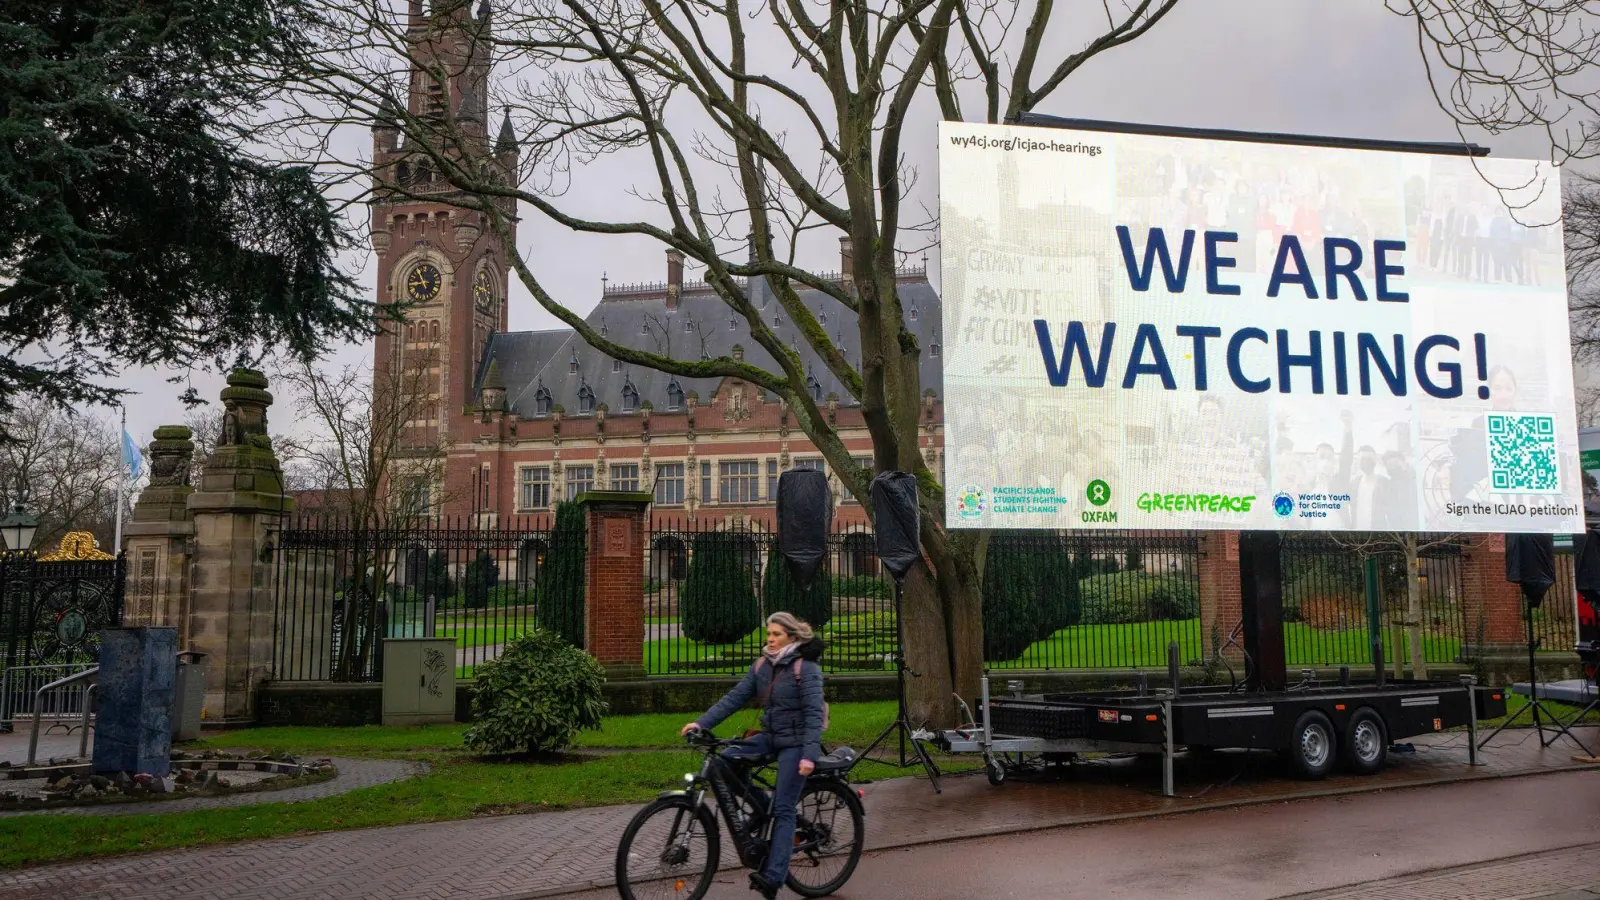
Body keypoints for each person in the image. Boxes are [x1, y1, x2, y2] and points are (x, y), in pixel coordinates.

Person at [681, 612, 825, 899]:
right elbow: (734, 698)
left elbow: (813, 714)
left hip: (796, 743)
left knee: (784, 809)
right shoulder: (762, 665)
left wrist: (809, 755)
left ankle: (773, 877)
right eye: (768, 634)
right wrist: (701, 723)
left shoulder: (805, 668)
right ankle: (761, 805)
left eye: (776, 635)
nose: (770, 639)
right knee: (723, 764)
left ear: (793, 638)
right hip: (770, 736)